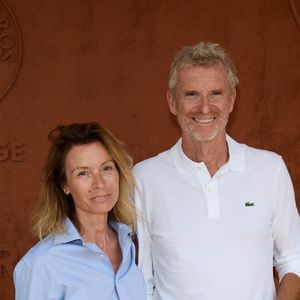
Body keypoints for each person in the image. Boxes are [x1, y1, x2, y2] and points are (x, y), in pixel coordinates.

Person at [134, 42, 300, 300]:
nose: (204, 107)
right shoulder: (144, 178)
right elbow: (142, 280)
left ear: (232, 99)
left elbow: (293, 257)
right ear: (172, 102)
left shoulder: (270, 169)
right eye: (191, 94)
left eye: (215, 93)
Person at [14, 122, 146, 300]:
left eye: (106, 168)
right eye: (83, 173)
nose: (99, 183)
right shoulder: (43, 262)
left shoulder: (129, 244)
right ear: (65, 185)